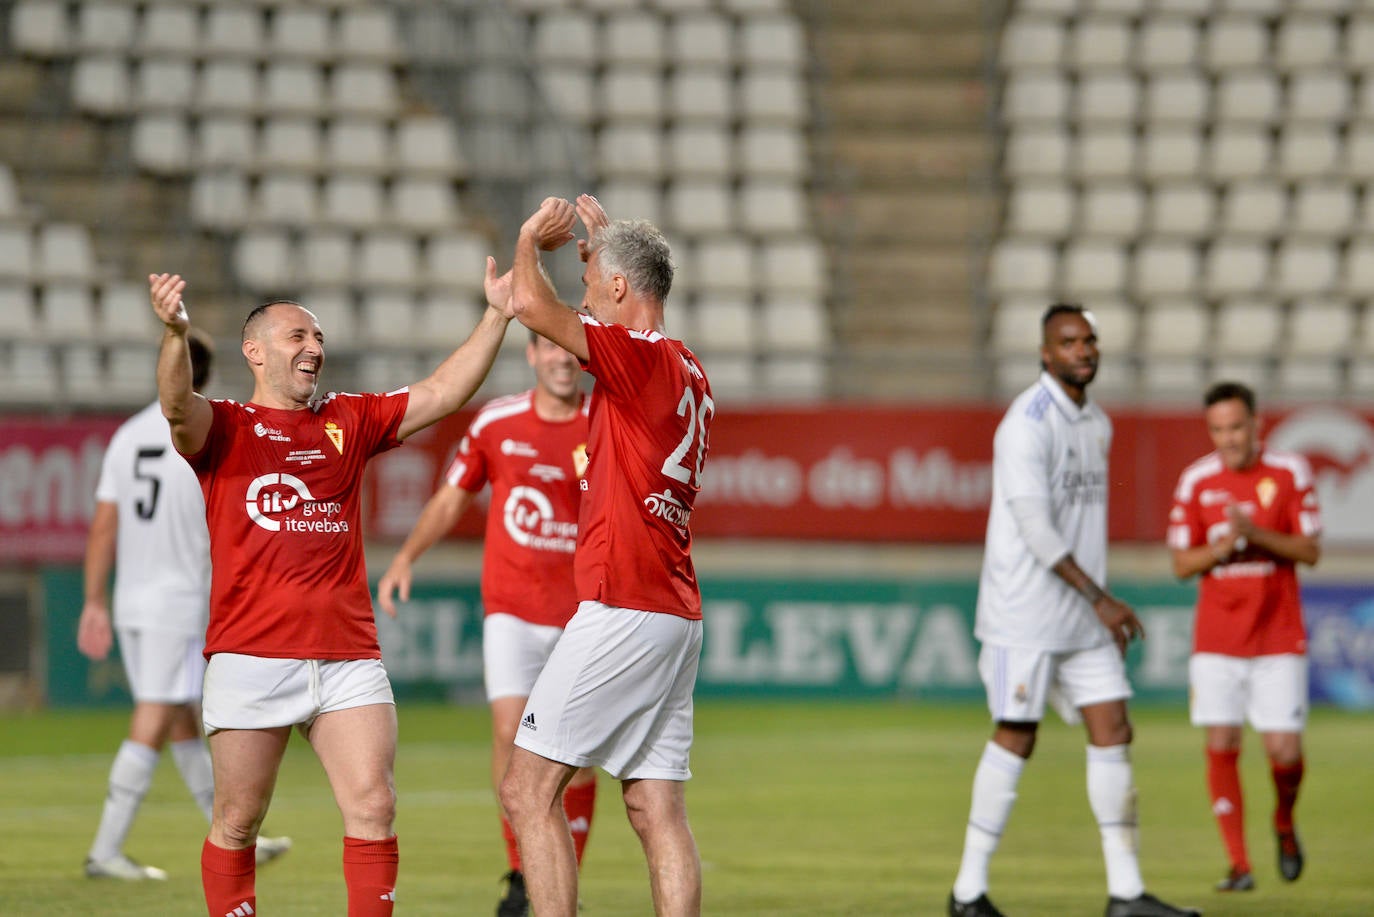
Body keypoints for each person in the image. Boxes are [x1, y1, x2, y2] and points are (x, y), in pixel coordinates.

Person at [146, 249, 542, 915]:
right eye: (298, 335)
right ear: (256, 351)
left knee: (374, 804)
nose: (314, 348)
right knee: (238, 819)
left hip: (347, 655)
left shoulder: (347, 420)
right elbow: (175, 405)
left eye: (320, 337)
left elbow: (443, 392)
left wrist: (497, 313)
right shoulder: (227, 428)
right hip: (251, 652)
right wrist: (177, 334)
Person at [947, 304, 1201, 917]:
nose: (1083, 350)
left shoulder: (1097, 424)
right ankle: (967, 892)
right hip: (1025, 616)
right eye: (1068, 342)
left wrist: (1094, 605)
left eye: (1089, 340)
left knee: (1114, 729)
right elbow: (1035, 529)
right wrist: (1103, 599)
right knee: (1017, 734)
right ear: (1045, 353)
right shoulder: (1026, 425)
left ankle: (1126, 893)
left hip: (1081, 618)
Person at [498, 194, 712, 917]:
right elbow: (593, 317)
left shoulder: (636, 358)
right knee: (656, 808)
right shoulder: (688, 369)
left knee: (526, 788)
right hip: (675, 609)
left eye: (594, 285)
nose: (585, 300)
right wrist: (598, 252)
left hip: (624, 600)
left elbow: (530, 302)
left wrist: (532, 238)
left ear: (623, 289)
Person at [377, 332, 596, 917]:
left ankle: (560, 874)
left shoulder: (605, 423)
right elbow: (453, 496)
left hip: (585, 616)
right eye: (549, 350)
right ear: (531, 355)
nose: (560, 361)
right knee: (509, 735)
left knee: (574, 753)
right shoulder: (498, 422)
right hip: (513, 609)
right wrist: (405, 557)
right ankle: (525, 873)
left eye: (570, 352)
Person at [77, 329, 290, 880]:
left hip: (133, 599)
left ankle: (234, 831)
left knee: (179, 719)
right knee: (156, 712)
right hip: (179, 599)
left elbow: (104, 526)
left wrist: (94, 600)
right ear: (207, 376)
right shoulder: (201, 432)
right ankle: (105, 850)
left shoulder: (126, 436)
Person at [1167, 381, 1321, 893]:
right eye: (1218, 429)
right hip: (1217, 638)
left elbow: (1310, 550)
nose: (1228, 438)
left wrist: (1254, 536)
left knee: (1283, 750)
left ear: (1256, 424)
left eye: (1236, 426)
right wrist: (1224, 547)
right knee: (1222, 740)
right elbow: (1181, 563)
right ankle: (1239, 864)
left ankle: (1284, 821)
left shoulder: (1289, 472)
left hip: (1277, 635)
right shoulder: (1195, 482)